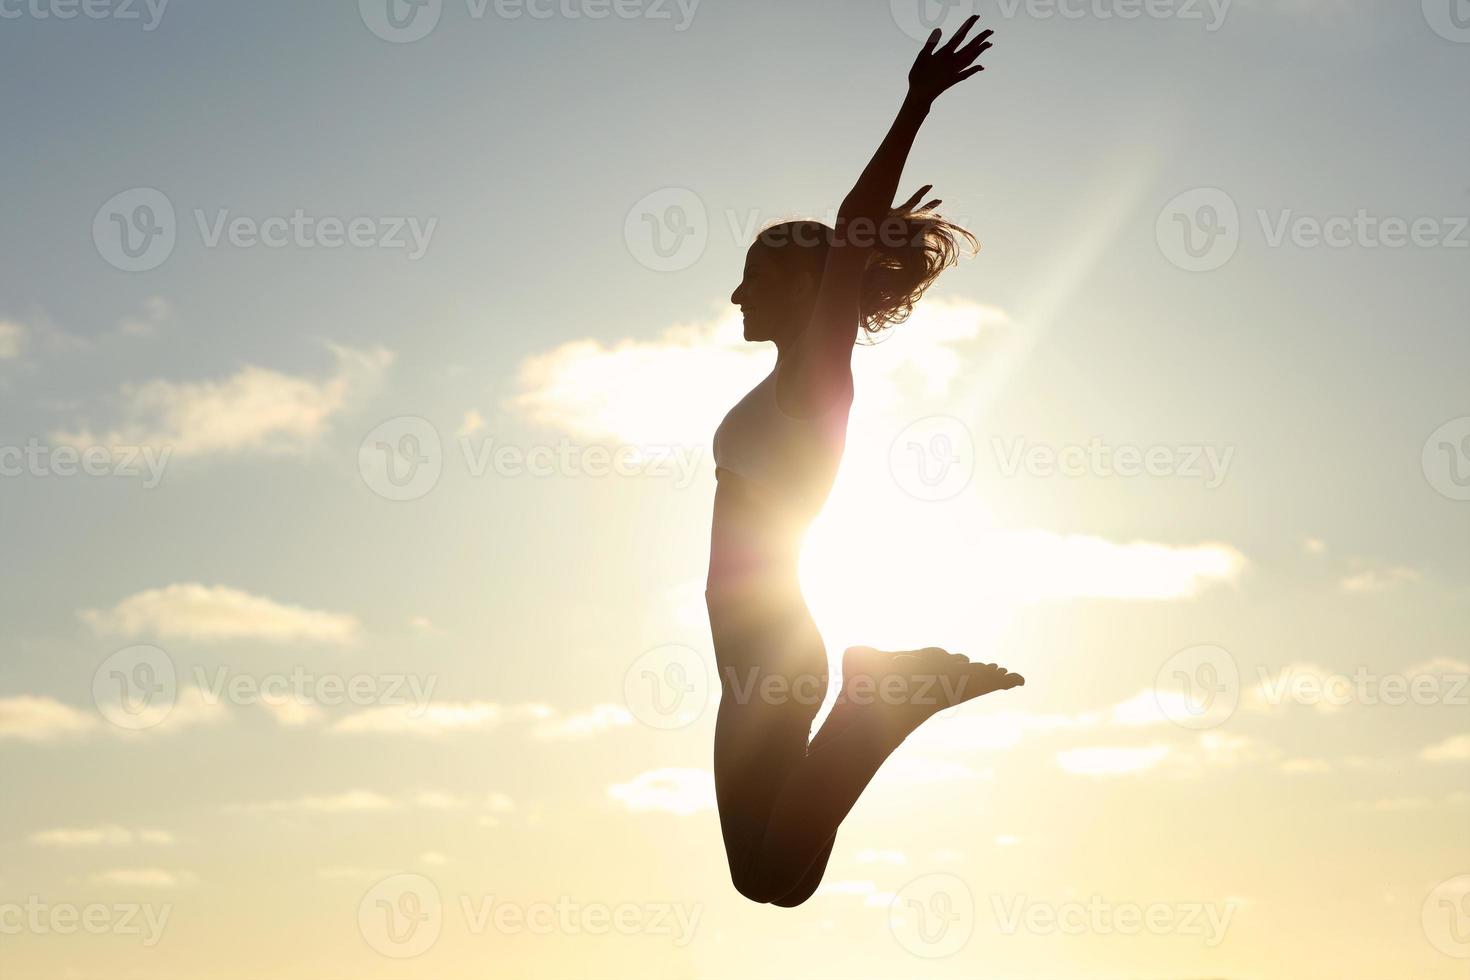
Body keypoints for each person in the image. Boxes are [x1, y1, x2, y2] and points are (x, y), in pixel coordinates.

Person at [704, 16, 1025, 907]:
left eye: (754, 277)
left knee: (772, 878)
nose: (736, 291)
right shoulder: (783, 385)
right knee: (775, 880)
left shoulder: (815, 376)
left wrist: (914, 103)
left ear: (808, 289)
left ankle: (882, 697)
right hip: (758, 654)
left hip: (771, 650)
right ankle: (881, 698)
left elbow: (850, 233)